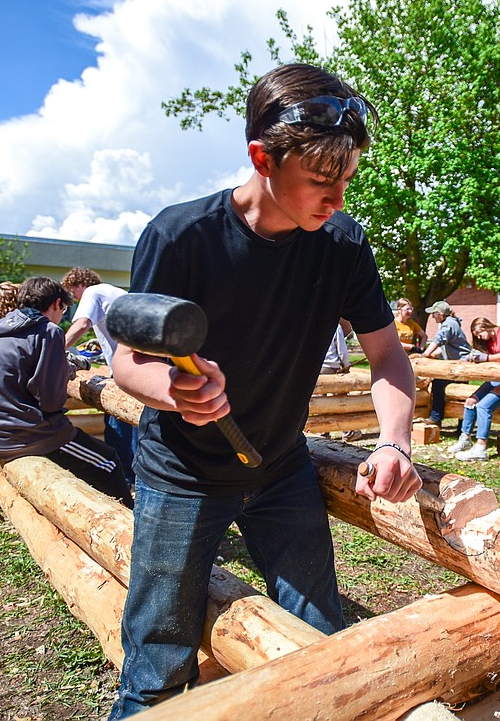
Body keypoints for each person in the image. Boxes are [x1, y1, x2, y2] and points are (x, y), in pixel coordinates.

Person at [108, 63, 421, 717]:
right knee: (158, 667)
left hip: (280, 468)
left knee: (323, 645)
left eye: (347, 182)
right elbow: (128, 363)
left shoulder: (342, 244)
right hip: (181, 473)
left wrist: (395, 443)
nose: (335, 201)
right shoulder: (181, 235)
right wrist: (174, 390)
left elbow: (388, 356)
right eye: (320, 183)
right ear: (262, 157)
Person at [0, 277, 133, 506]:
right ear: (56, 304)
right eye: (63, 310)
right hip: (29, 436)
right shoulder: (47, 332)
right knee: (109, 462)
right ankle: (127, 525)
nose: (61, 317)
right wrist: (64, 373)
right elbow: (50, 401)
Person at [61, 267, 136, 480]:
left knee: (117, 421)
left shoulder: (92, 293)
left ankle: (123, 475)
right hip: (136, 367)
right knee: (132, 421)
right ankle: (134, 475)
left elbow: (82, 323)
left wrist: (57, 348)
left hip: (124, 371)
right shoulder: (115, 292)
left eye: (72, 292)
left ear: (79, 284)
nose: (74, 300)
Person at [446, 317, 500, 462]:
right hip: (499, 377)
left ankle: (481, 447)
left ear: (485, 326)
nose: (479, 337)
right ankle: (465, 438)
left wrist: (486, 357)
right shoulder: (490, 341)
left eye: (479, 333)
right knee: (471, 401)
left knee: (484, 406)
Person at [416, 300, 472, 426]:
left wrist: (424, 355)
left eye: (434, 313)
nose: (432, 316)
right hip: (459, 364)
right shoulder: (452, 323)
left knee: (455, 393)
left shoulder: (449, 325)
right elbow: (447, 347)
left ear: (441, 314)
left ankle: (437, 418)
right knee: (456, 393)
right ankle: (461, 426)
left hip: (462, 365)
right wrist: (432, 355)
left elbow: (439, 339)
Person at [319, 321, 362, 442]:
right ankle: (348, 432)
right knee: (341, 400)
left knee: (321, 402)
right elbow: (342, 350)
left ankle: (323, 432)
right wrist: (346, 365)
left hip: (319, 367)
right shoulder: (335, 326)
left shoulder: (314, 325)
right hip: (332, 367)